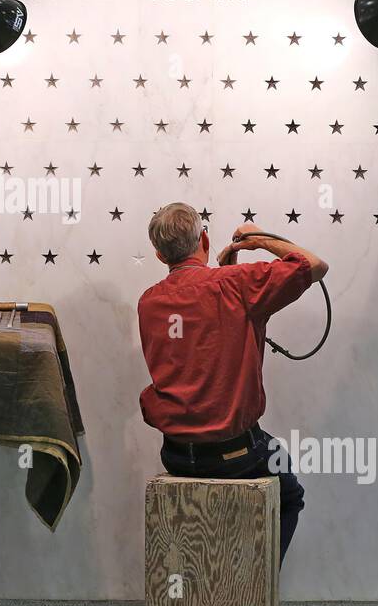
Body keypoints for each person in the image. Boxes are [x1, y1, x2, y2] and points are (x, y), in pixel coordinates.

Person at [137, 202, 328, 564]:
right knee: (290, 496)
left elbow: (194, 348)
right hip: (236, 455)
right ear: (204, 239)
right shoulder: (237, 286)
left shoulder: (149, 302)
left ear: (159, 255)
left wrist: (228, 278)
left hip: (177, 453)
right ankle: (252, 585)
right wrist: (260, 240)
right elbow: (314, 265)